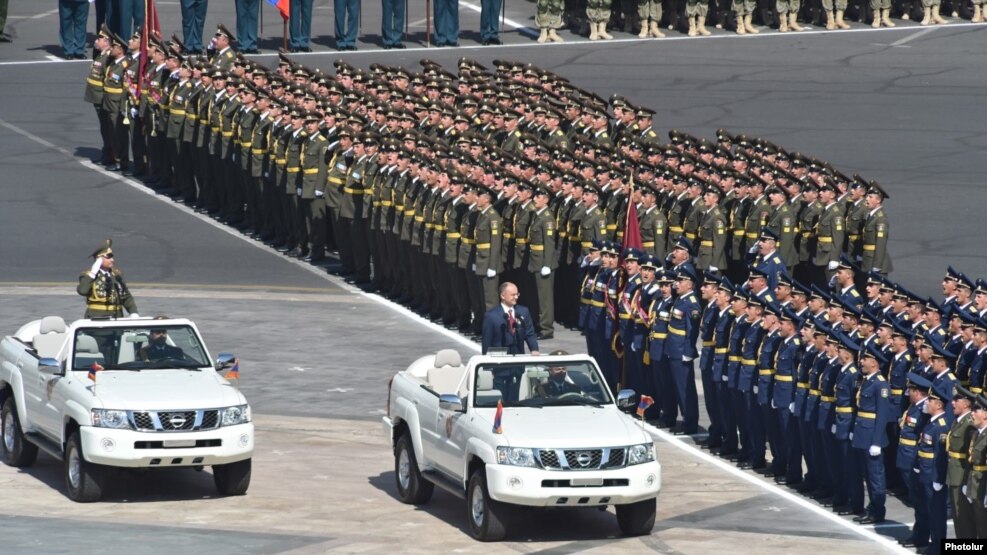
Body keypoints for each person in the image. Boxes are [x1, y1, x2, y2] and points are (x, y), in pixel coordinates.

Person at [481, 282, 539, 403]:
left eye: (517, 294)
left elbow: (529, 333)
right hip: (499, 366)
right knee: (500, 401)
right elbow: (487, 342)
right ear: (503, 295)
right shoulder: (491, 316)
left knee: (514, 400)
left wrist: (534, 349)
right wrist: (488, 368)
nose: (516, 297)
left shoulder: (523, 312)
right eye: (512, 295)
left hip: (517, 364)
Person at [77, 239, 139, 319]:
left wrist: (133, 312)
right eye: (108, 257)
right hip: (97, 318)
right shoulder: (88, 276)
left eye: (112, 256)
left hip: (117, 317)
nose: (112, 260)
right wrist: (92, 273)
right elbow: (82, 291)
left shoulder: (116, 275)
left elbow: (126, 296)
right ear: (99, 259)